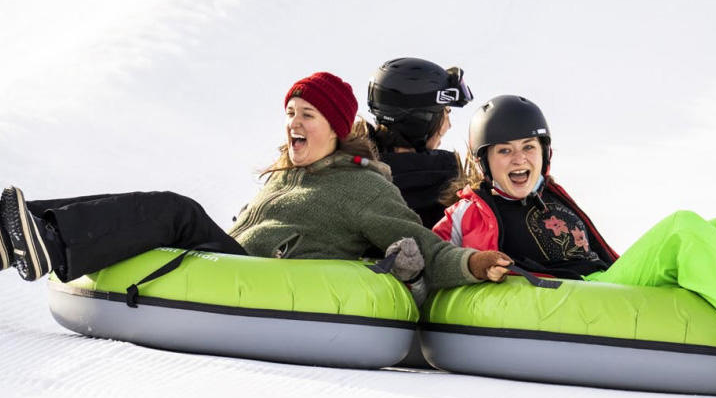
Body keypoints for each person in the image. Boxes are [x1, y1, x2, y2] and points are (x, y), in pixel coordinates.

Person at [434, 94, 716, 392]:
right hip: (579, 294)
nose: (519, 159)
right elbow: (434, 250)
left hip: (608, 278)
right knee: (682, 228)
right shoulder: (475, 208)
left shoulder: (550, 194)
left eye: (528, 148)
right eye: (504, 151)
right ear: (485, 162)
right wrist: (468, 261)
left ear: (545, 153)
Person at [1, 72, 509, 293]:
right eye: (290, 112)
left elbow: (425, 246)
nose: (294, 123)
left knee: (177, 210)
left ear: (335, 127)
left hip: (262, 274)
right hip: (231, 257)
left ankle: (44, 243)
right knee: (141, 205)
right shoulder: (290, 173)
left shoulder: (367, 188)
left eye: (307, 114)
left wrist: (475, 263)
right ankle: (17, 234)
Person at [366, 57, 471, 227]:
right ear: (421, 120)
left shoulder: (345, 172)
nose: (449, 125)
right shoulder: (454, 184)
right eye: (446, 112)